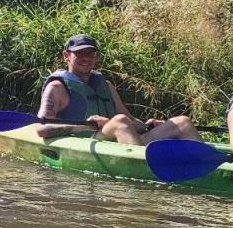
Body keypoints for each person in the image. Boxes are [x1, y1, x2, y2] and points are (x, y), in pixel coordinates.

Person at [33, 34, 200, 145]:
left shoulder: (106, 86)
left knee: (182, 122)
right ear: (66, 56)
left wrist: (148, 126)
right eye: (80, 53)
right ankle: (144, 168)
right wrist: (85, 126)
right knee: (119, 121)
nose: (86, 58)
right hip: (85, 141)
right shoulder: (56, 88)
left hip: (113, 140)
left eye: (90, 53)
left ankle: (206, 168)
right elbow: (41, 129)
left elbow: (130, 120)